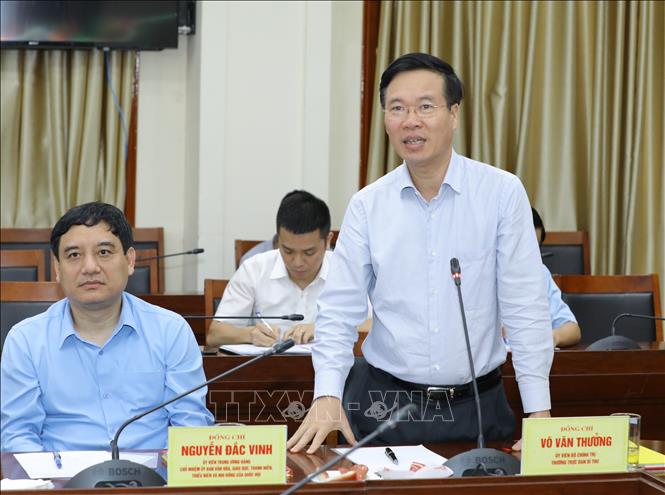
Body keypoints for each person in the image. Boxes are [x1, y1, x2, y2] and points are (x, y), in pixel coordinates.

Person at [288, 53, 553, 453]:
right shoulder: (367, 205)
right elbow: (338, 310)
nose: (410, 121)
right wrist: (327, 393)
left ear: (454, 113)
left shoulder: (501, 194)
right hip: (388, 408)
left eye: (425, 106)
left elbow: (525, 304)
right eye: (397, 108)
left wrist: (539, 410)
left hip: (479, 406)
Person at [0, 202, 213, 452]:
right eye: (74, 255)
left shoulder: (171, 331)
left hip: (154, 475)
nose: (90, 267)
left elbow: (191, 427)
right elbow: (18, 435)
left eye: (103, 252)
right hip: (61, 475)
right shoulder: (26, 340)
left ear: (130, 261)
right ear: (57, 268)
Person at [207, 190, 334, 347]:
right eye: (288, 251)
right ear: (278, 239)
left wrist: (324, 329)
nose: (297, 262)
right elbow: (215, 335)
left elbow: (364, 325)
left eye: (309, 252)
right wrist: (250, 334)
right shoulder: (254, 269)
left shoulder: (345, 271)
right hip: (267, 362)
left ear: (327, 241)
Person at [532, 207, 581, 347]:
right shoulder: (482, 273)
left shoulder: (540, 273)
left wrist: (551, 337)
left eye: (536, 248)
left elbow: (573, 330)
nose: (532, 254)